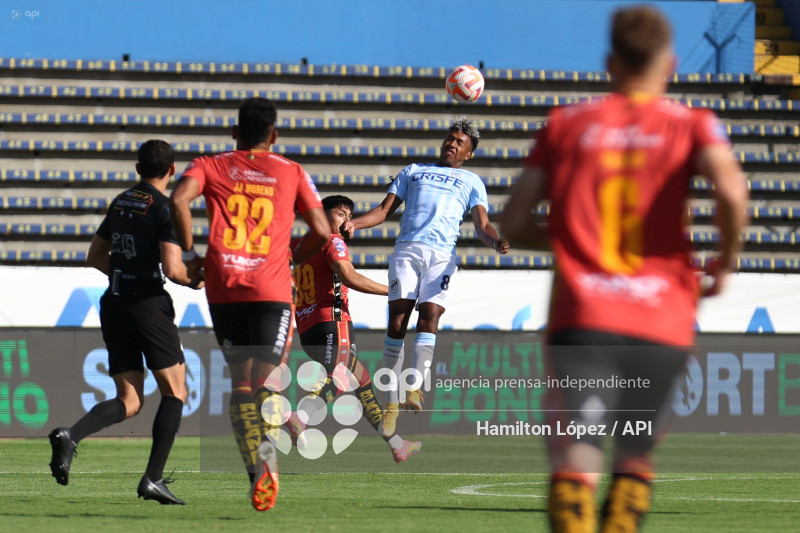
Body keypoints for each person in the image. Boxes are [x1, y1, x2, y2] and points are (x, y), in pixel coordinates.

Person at [499, 5, 749, 532]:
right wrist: (725, 260)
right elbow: (731, 192)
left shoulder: (567, 124)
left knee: (577, 450)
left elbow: (514, 222)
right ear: (671, 65)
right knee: (636, 447)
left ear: (610, 63)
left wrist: (576, 237)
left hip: (585, 314)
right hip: (662, 317)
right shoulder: (693, 124)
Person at [169, 97, 329, 512]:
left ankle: (257, 470)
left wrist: (190, 250)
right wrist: (294, 255)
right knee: (265, 383)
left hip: (223, 285)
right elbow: (322, 230)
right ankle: (266, 460)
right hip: (270, 289)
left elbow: (178, 200)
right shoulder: (291, 171)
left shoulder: (209, 164)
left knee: (240, 382)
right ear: (273, 136)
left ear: (235, 132)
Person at [48, 139, 204, 505]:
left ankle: (71, 435)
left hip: (113, 301)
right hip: (147, 304)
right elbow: (173, 269)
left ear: (137, 169)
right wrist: (199, 279)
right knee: (176, 391)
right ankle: (152, 478)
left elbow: (94, 256)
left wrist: (124, 274)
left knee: (130, 399)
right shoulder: (164, 207)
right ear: (171, 170)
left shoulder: (121, 201)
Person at [343, 118, 510, 436]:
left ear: (469, 154)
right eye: (451, 138)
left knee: (429, 316)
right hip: (407, 252)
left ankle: (415, 388)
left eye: (461, 142)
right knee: (397, 324)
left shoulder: (472, 181)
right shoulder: (413, 170)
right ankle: (391, 404)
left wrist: (495, 240)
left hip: (442, 258)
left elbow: (481, 225)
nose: (453, 143)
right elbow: (382, 210)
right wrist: (355, 224)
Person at [290, 195, 422, 463]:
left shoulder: (299, 245)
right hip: (333, 322)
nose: (347, 221)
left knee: (361, 383)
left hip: (307, 328)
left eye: (349, 216)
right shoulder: (331, 241)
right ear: (321, 215)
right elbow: (349, 276)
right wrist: (394, 293)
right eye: (341, 214)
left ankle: (397, 444)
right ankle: (300, 417)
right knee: (339, 378)